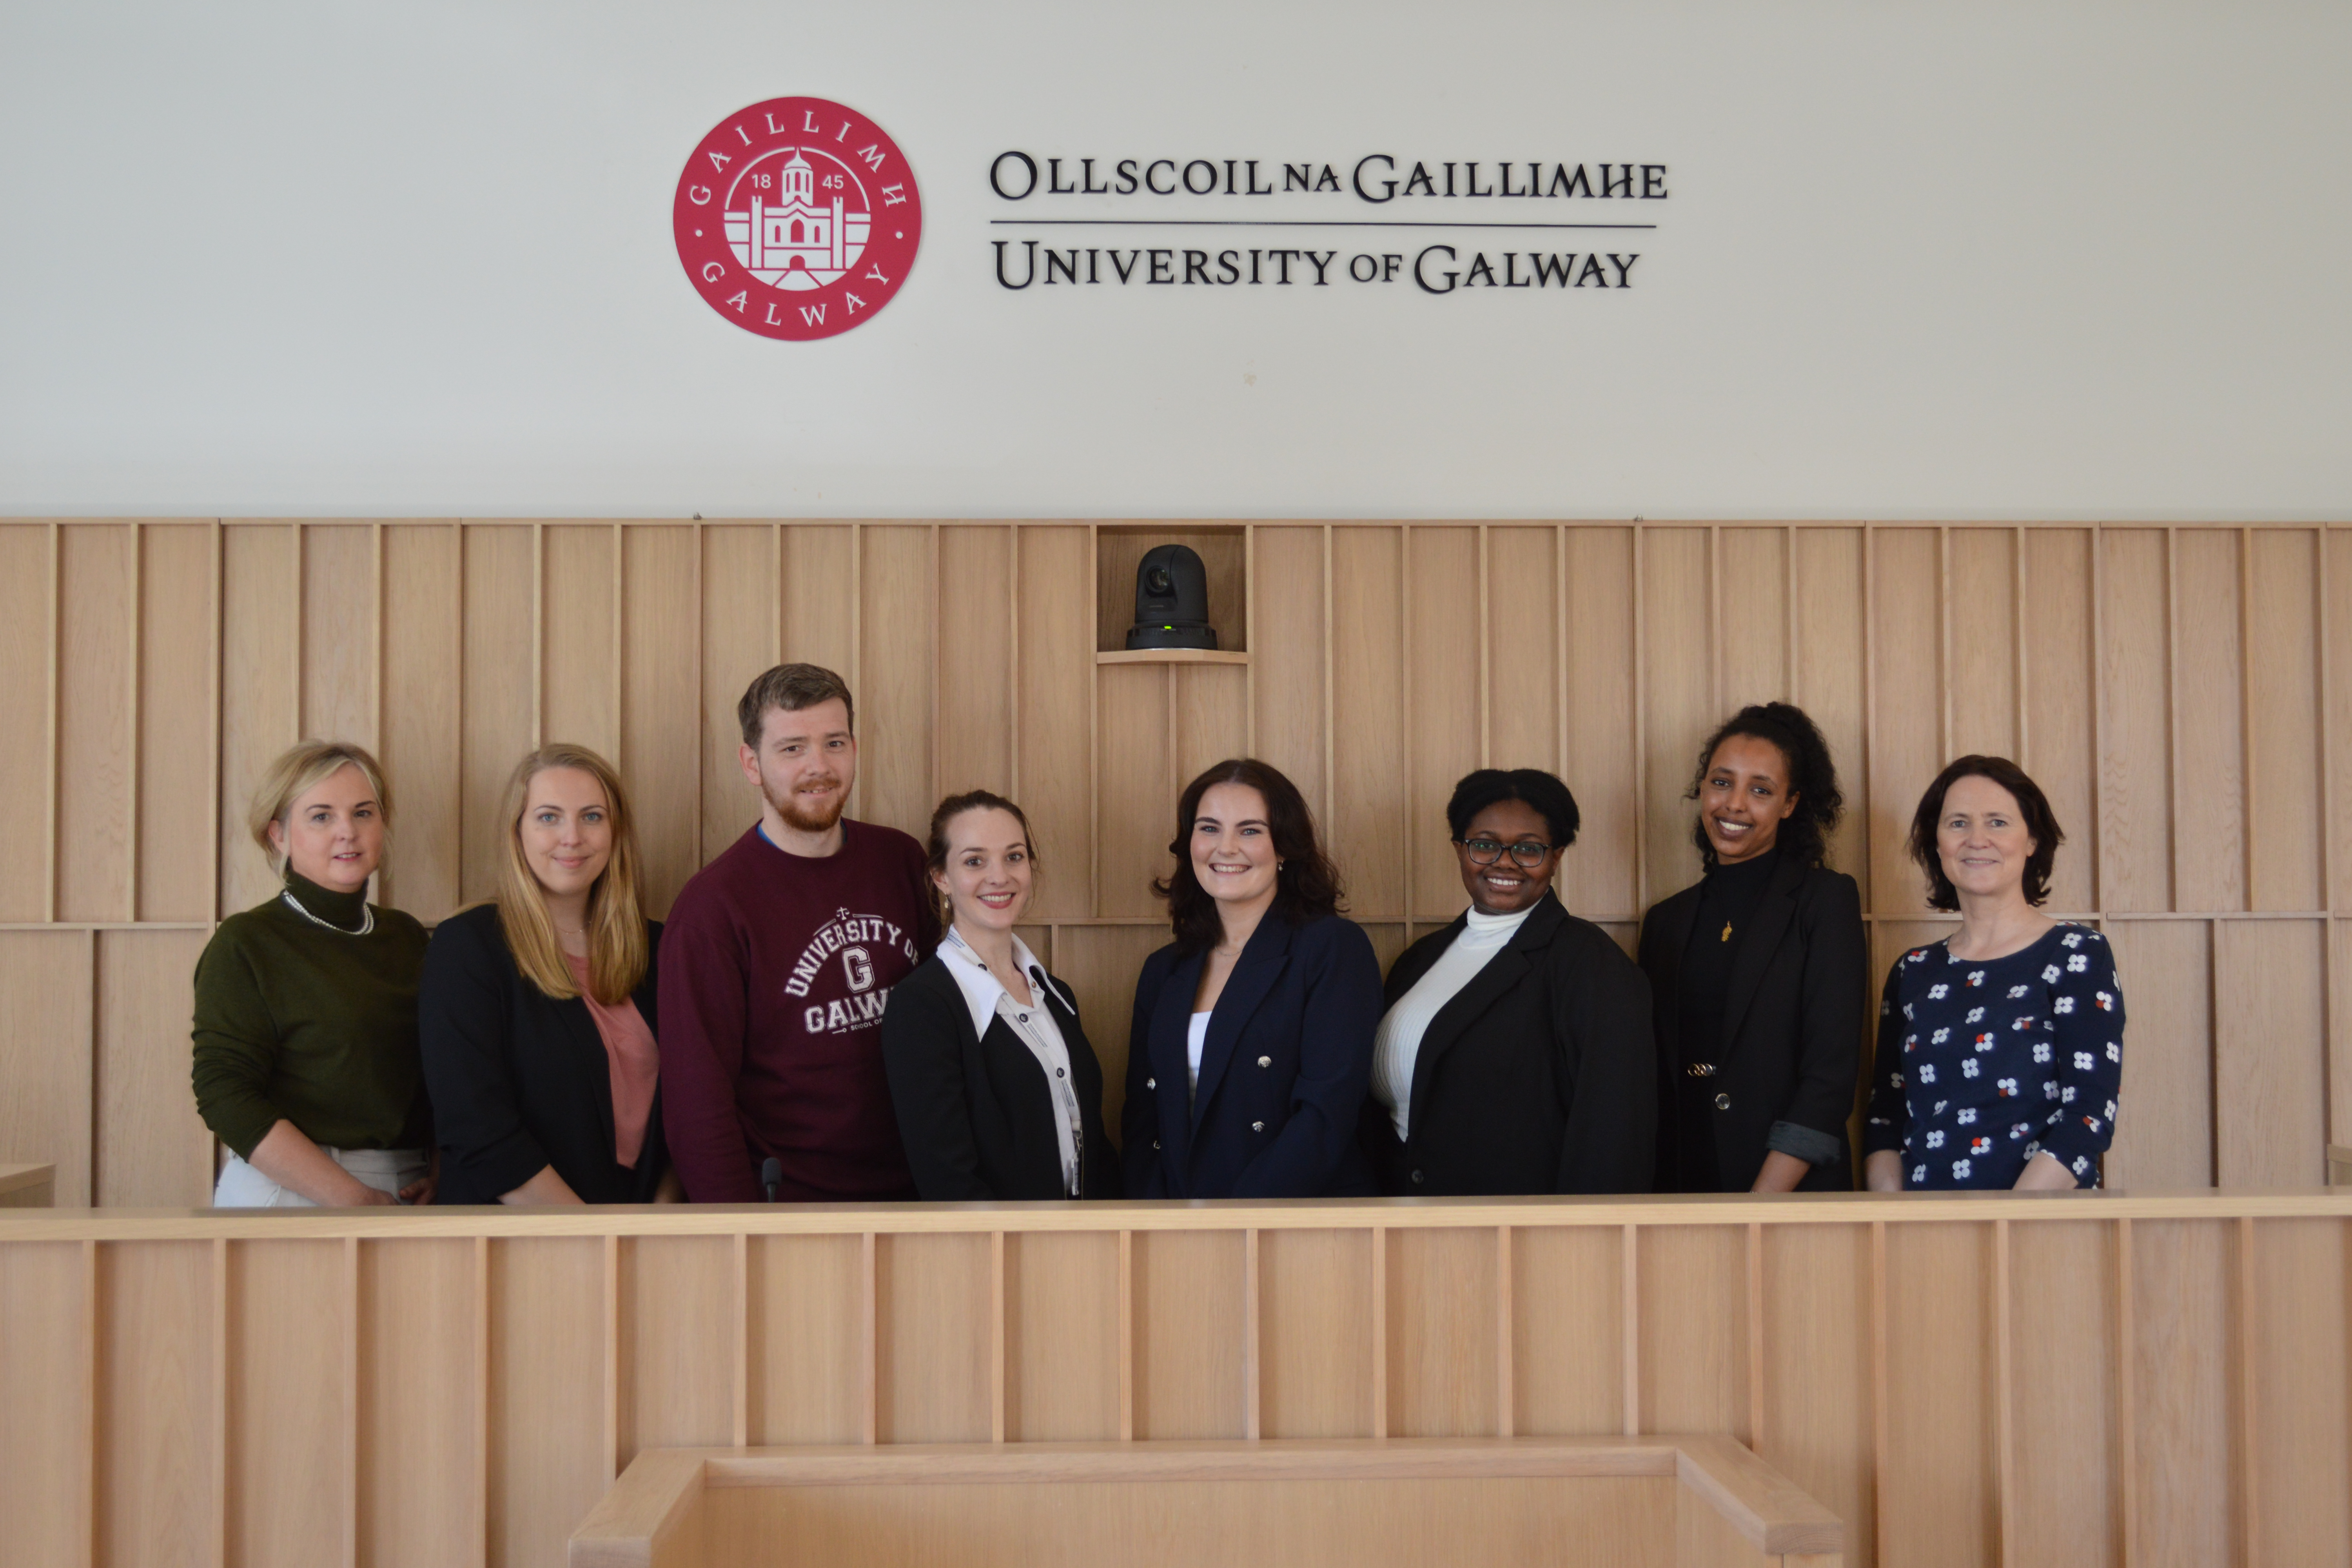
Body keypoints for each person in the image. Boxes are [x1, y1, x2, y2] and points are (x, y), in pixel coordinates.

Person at [659, 664, 938, 1202]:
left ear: (855, 747)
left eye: (834, 743)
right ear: (751, 763)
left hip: (920, 1195)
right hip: (790, 1211)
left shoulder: (902, 861)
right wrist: (744, 1235)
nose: (819, 767)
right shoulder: (711, 911)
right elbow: (698, 1106)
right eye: (792, 749)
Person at [1365, 768, 1655, 1194]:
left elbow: (1614, 1131)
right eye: (1484, 845)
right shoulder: (1418, 959)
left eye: (1528, 848)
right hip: (1401, 1219)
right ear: (1459, 850)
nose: (1505, 861)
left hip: (1517, 1235)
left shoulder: (1590, 963)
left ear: (1556, 856)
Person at [420, 744, 677, 1204]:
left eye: (592, 817)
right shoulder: (468, 947)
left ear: (616, 832)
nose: (572, 836)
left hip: (642, 1235)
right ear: (516, 831)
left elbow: (688, 1108)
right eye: (548, 817)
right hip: (515, 1239)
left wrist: (657, 1227)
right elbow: (474, 1127)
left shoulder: (660, 947)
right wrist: (589, 1238)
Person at [1123, 759, 1381, 1198]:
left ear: (1283, 847)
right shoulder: (1164, 969)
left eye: (1249, 830)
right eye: (1208, 829)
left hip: (1296, 1224)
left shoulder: (1331, 948)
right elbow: (1143, 1121)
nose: (1226, 848)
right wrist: (1157, 1223)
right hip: (1180, 1230)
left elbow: (1326, 1115)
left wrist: (1237, 1222)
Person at [1864, 756, 2123, 1191]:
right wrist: (1894, 1222)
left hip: (2041, 1232)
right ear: (1937, 842)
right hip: (1922, 1235)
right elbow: (1884, 1116)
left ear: (2032, 840)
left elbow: (2088, 1117)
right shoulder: (1913, 971)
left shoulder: (2077, 954)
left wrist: (2003, 1226)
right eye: (1958, 823)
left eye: (1998, 822)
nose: (1977, 839)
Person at [192, 741, 433, 1206]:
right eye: (321, 816)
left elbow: (447, 1069)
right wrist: (349, 1195)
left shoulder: (407, 937)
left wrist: (443, 1167)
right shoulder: (248, 942)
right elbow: (224, 1092)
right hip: (292, 1189)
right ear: (277, 834)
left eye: (364, 813)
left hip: (410, 1186)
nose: (348, 832)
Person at [1637, 704, 1866, 1193]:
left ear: (1790, 804)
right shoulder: (1665, 921)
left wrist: (1760, 1206)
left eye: (1760, 790)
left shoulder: (1825, 901)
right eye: (1722, 782)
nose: (1734, 804)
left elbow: (1829, 1076)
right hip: (1680, 1181)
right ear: (1702, 787)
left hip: (1786, 1190)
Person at [880, 791, 1118, 1200]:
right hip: (1001, 1254)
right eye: (975, 861)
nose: (1000, 876)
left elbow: (1091, 1139)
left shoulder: (1056, 994)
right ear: (941, 877)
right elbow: (947, 1180)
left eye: (1014, 856)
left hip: (1085, 1245)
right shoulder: (922, 1006)